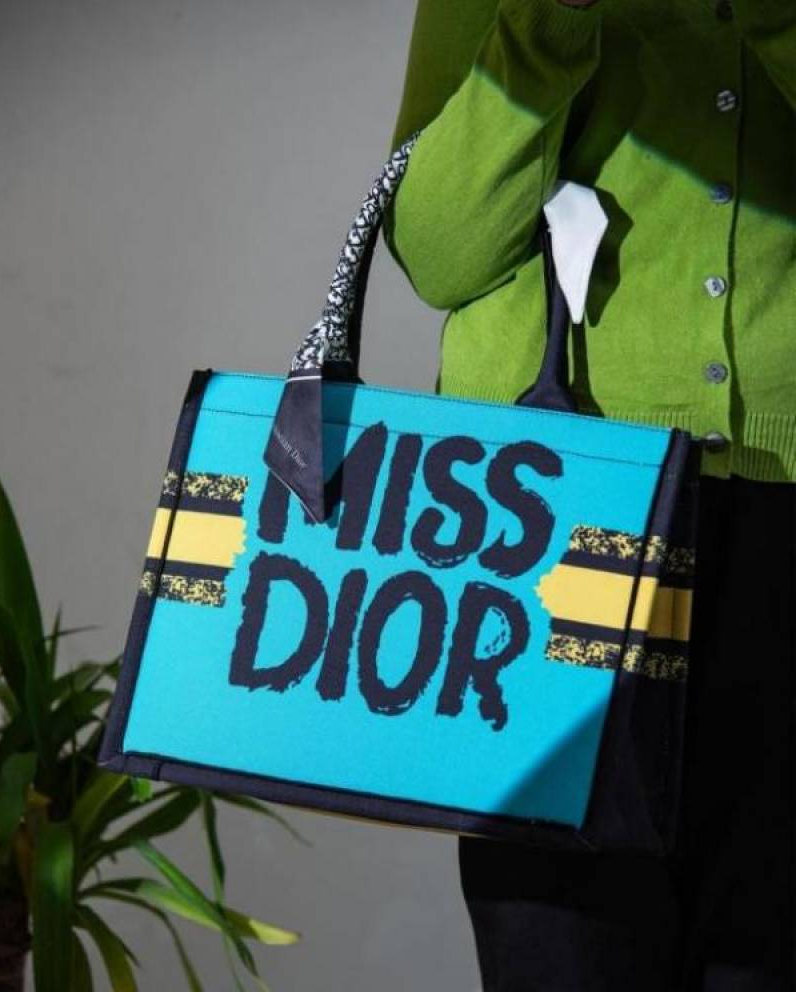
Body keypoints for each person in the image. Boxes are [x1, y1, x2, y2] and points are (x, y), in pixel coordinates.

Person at [381, 1, 795, 989]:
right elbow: (439, 255)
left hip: (782, 517)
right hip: (552, 518)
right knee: (557, 947)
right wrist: (549, 21)